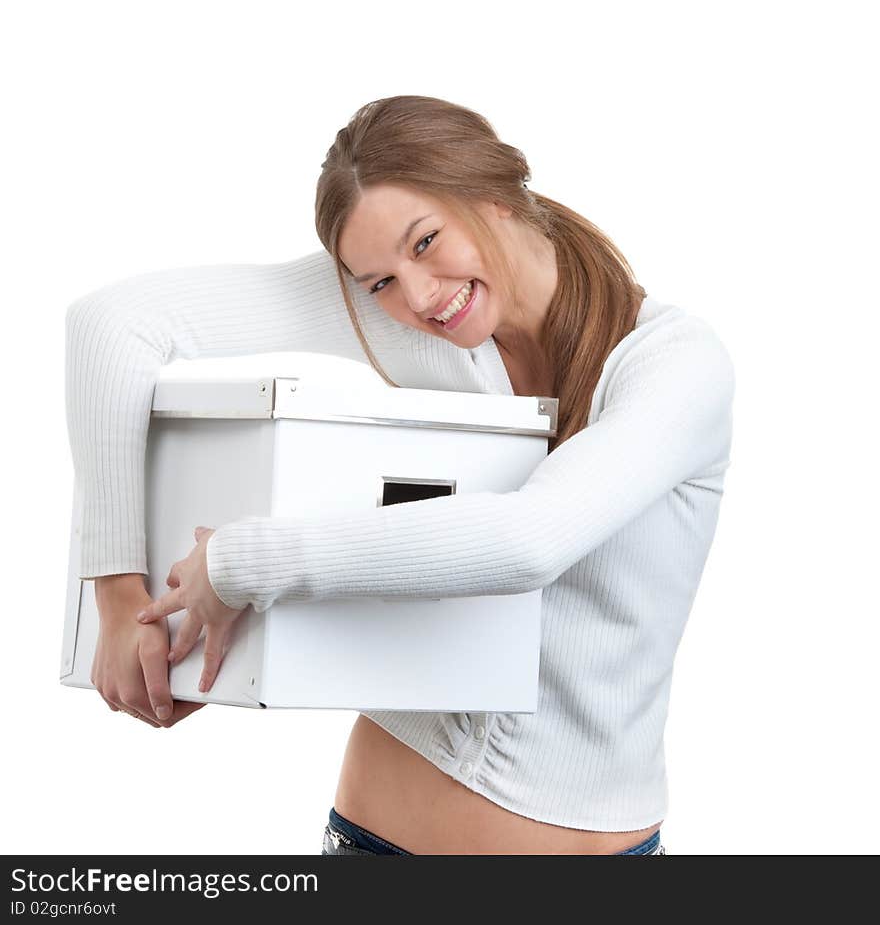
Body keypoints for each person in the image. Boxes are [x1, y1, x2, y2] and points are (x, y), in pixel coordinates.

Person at [65, 94, 735, 855]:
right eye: (377, 281)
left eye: (425, 242)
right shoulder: (403, 322)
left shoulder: (674, 365)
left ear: (496, 194)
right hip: (370, 844)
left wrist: (243, 562)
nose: (417, 298)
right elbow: (111, 328)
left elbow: (527, 542)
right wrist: (120, 597)